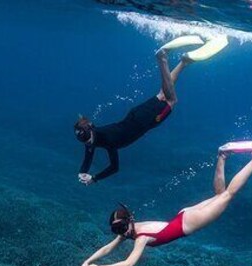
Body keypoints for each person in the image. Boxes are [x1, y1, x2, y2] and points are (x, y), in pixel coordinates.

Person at [80, 150, 252, 266]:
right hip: (184, 215)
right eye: (117, 231)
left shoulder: (141, 237)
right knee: (219, 195)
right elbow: (107, 248)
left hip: (189, 222)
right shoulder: (131, 229)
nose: (121, 234)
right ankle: (222, 156)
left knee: (228, 195)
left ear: (129, 222)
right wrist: (87, 261)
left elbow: (128, 265)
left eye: (121, 229)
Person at [74, 47, 192, 185]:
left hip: (145, 121)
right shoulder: (92, 135)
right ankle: (183, 61)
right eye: (85, 141)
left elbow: (114, 167)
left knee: (172, 101)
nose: (88, 143)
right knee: (162, 94)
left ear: (89, 131)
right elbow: (88, 155)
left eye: (87, 140)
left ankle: (162, 59)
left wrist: (94, 179)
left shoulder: (108, 141)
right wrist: (82, 172)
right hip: (136, 114)